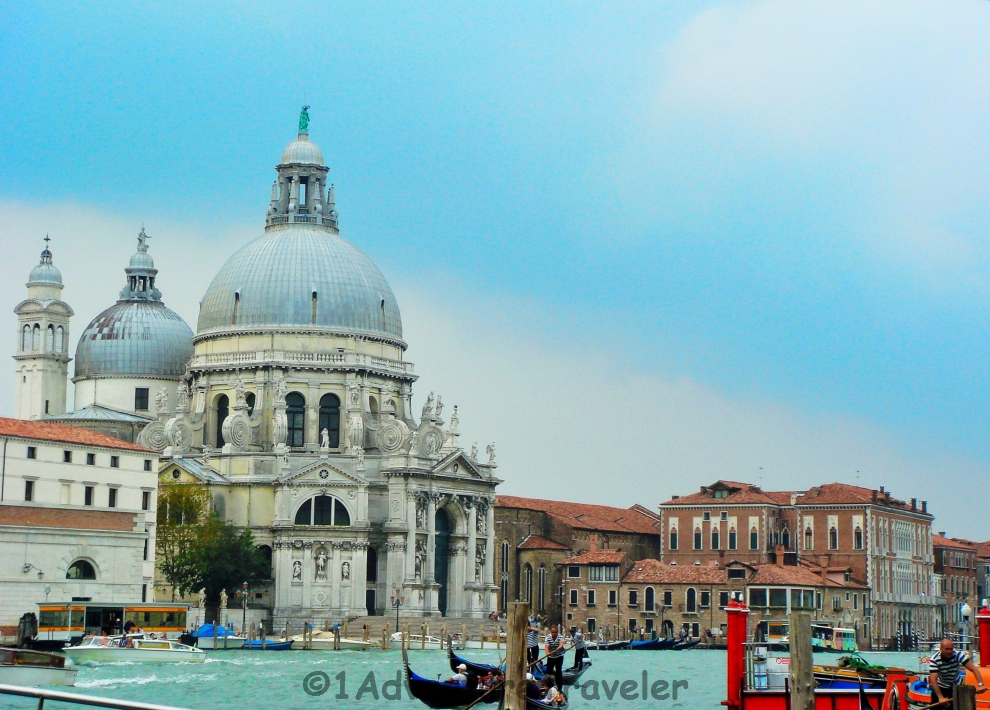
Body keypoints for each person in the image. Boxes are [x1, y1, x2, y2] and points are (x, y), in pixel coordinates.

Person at [929, 639, 985, 703]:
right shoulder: (934, 660)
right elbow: (933, 680)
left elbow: (973, 668)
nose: (950, 651)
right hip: (941, 685)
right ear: (941, 649)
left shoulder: (957, 654)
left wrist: (981, 685)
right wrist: (941, 698)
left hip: (957, 685)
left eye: (951, 649)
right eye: (947, 649)